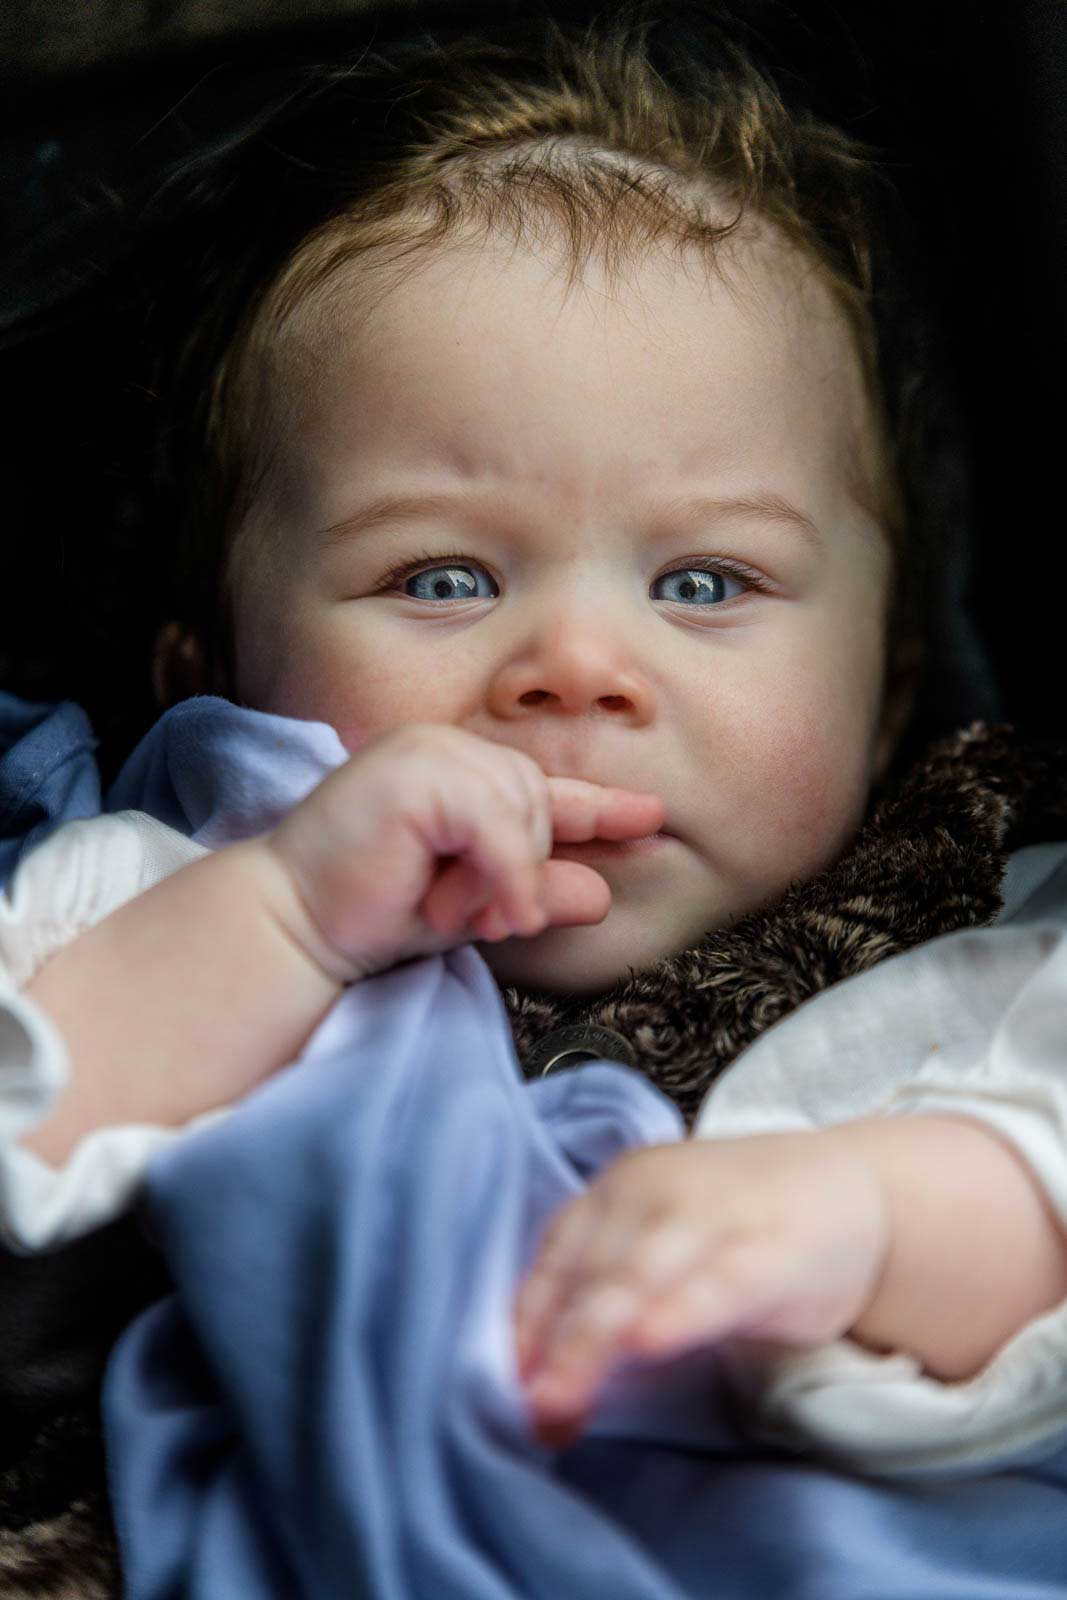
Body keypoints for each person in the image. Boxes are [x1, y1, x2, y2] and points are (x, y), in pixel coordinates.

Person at [3, 0, 1067, 1546]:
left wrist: (876, 1218)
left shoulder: (987, 921)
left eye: (705, 585)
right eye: (440, 579)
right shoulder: (165, 899)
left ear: (889, 679)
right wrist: (286, 919)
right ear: (208, 671)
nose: (575, 667)